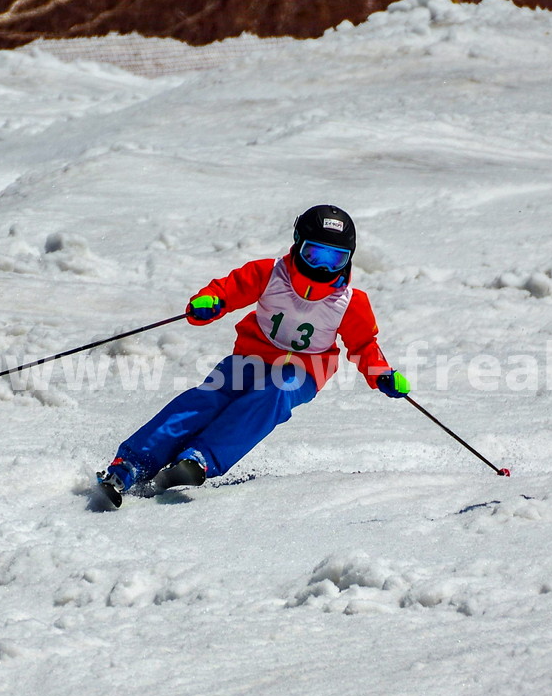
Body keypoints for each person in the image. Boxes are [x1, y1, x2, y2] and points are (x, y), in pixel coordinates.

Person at [95, 205, 411, 507]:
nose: (322, 268)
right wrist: (209, 301)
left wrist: (381, 373)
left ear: (348, 260)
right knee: (210, 397)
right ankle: (134, 462)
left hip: (306, 370)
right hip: (251, 357)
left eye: (335, 260)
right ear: (298, 244)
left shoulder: (350, 302)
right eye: (314, 255)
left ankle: (200, 457)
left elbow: (364, 345)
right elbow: (229, 289)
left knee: (276, 393)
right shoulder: (270, 273)